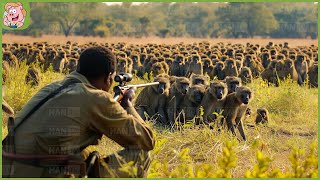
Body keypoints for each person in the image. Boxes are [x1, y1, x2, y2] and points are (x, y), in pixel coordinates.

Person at [2, 46, 155, 178]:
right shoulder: (95, 97)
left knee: (84, 153)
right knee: (141, 154)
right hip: (44, 173)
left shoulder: (51, 88)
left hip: (8, 168)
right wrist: (127, 103)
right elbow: (146, 140)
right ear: (109, 77)